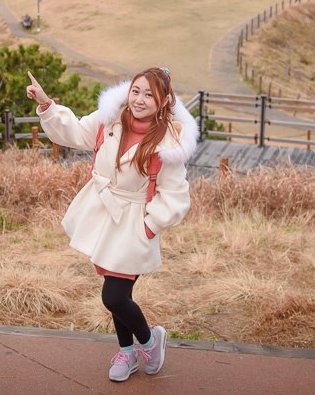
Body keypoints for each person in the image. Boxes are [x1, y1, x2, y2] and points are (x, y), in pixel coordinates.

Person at [25, 67, 196, 382]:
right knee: (115, 291)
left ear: (164, 101)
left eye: (149, 94)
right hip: (102, 216)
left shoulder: (169, 142)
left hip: (133, 223)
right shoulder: (110, 118)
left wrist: (149, 226)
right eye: (136, 91)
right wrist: (47, 104)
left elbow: (176, 196)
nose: (140, 99)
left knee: (113, 296)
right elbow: (74, 132)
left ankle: (149, 341)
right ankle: (127, 353)